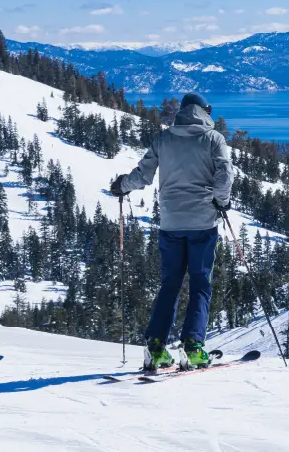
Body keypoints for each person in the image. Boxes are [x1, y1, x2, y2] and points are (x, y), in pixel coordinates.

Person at [110, 92, 234, 370]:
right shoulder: (213, 139)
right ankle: (193, 347)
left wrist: (122, 186)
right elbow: (225, 175)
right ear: (204, 111)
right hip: (203, 224)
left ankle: (156, 348)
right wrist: (222, 201)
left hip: (170, 224)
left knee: (170, 284)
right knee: (200, 284)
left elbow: (143, 175)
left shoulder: (163, 138)